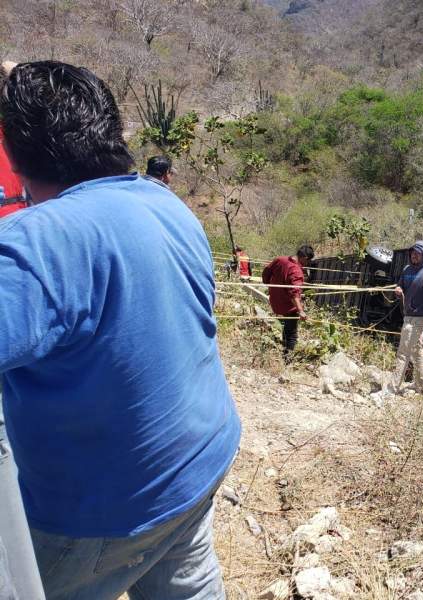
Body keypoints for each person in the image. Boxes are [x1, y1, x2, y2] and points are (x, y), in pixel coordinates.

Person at [0, 61, 241, 600]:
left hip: (97, 515)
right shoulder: (165, 203)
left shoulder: (36, 244)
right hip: (199, 462)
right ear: (111, 129)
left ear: (15, 158)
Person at [392, 241, 423, 393]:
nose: (414, 255)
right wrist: (398, 289)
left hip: (420, 318)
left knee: (403, 351)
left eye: (417, 253)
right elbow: (400, 285)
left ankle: (393, 387)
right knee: (416, 350)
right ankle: (421, 385)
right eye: (412, 253)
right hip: (407, 316)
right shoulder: (407, 269)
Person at [262, 245, 314, 359]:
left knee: (287, 327)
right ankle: (287, 359)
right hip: (288, 306)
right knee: (292, 334)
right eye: (308, 260)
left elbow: (266, 271)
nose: (308, 263)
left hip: (276, 301)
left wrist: (269, 285)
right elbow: (294, 293)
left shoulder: (280, 260)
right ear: (304, 257)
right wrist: (300, 311)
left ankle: (284, 348)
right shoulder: (296, 271)